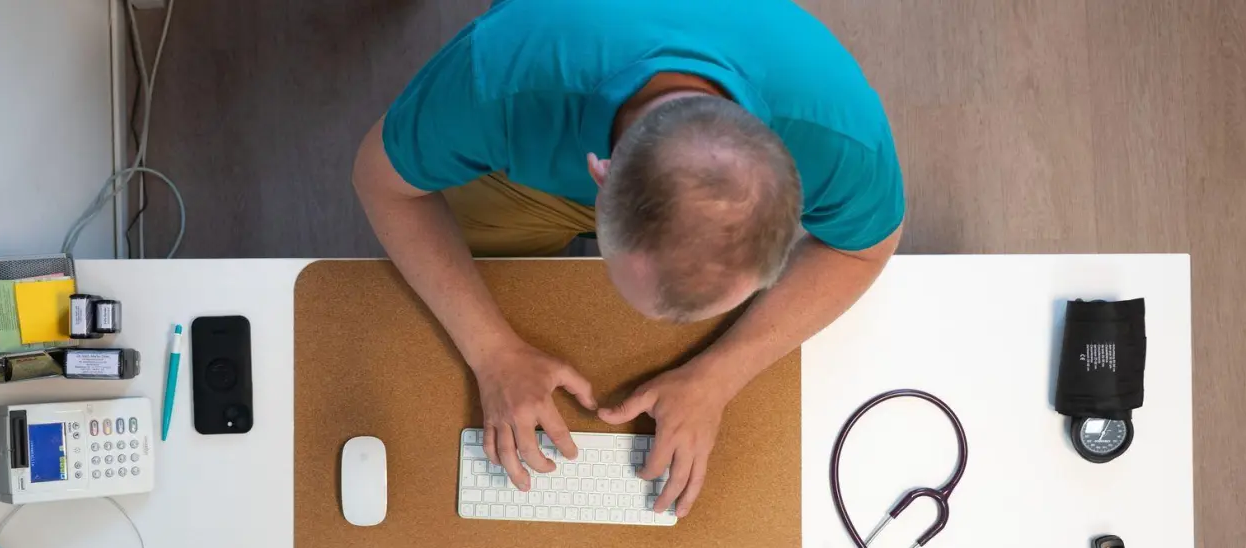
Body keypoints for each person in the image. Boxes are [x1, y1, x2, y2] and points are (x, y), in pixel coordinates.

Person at [353, 0, 903, 518]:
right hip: (533, 140)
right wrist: (491, 350)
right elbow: (381, 182)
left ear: (791, 206)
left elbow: (863, 251)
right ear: (600, 175)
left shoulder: (839, 135)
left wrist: (720, 373)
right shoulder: (499, 79)